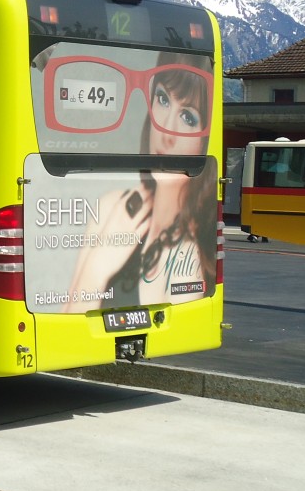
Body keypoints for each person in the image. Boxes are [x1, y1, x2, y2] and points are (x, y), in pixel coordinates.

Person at [64, 53, 216, 312]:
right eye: (163, 99)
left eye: (188, 117)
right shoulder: (114, 207)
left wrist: (97, 270)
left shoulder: (189, 258)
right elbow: (64, 329)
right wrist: (95, 271)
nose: (166, 131)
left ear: (206, 136)